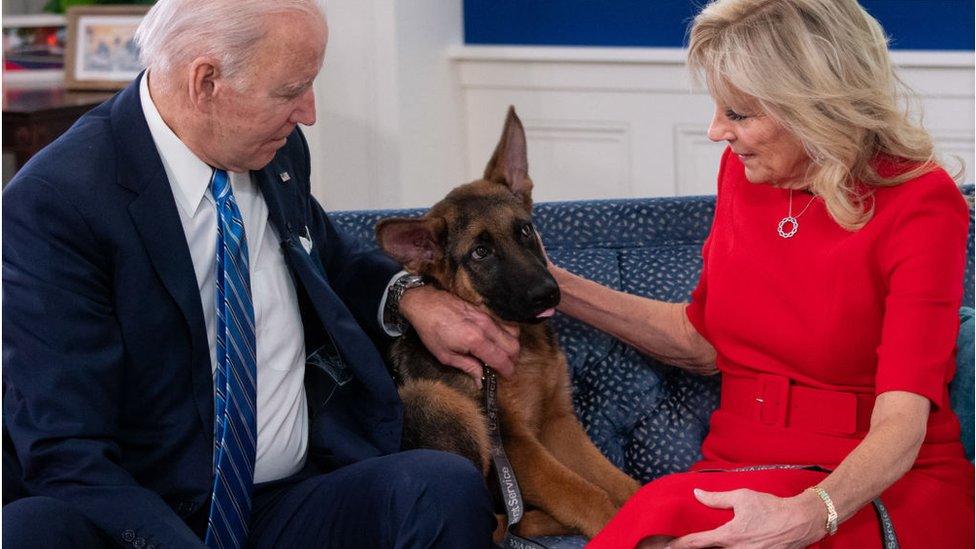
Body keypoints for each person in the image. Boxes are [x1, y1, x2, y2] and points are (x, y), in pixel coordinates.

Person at [1, 1, 521, 547]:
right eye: (291, 90)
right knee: (32, 532)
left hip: (284, 501)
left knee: (438, 489)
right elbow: (66, 452)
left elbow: (328, 256)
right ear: (207, 82)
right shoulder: (56, 204)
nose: (310, 112)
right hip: (144, 515)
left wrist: (410, 297)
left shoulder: (273, 150)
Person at [544, 0, 974, 547]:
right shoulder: (744, 173)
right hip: (737, 468)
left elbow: (901, 423)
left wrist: (811, 513)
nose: (715, 131)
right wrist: (553, 285)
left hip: (872, 485)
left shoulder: (921, 201)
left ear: (816, 107)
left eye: (739, 115)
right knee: (659, 524)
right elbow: (702, 340)